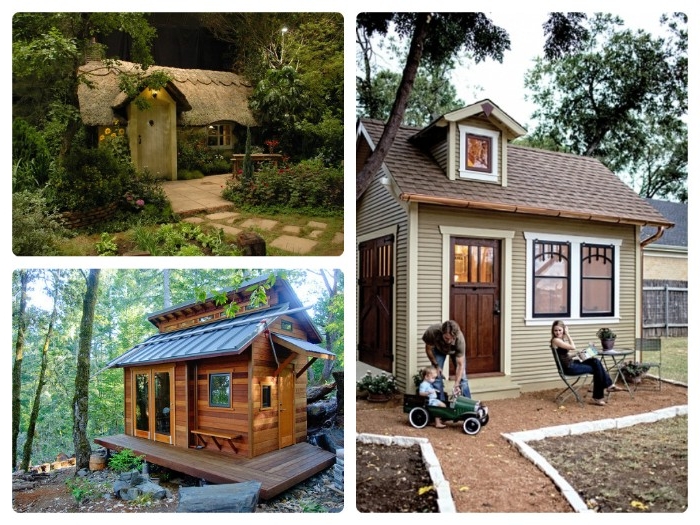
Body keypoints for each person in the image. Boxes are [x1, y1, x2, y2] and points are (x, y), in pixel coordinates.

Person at [550, 320, 622, 405]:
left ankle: (606, 389)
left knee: (595, 361)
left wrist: (581, 354)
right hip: (569, 368)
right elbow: (573, 347)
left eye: (560, 330)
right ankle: (602, 392)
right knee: (596, 367)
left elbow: (564, 356)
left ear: (563, 330)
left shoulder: (560, 340)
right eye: (556, 330)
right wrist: (568, 334)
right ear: (553, 331)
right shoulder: (556, 340)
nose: (558, 332)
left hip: (571, 363)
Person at [422, 320, 471, 400]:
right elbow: (429, 350)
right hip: (439, 350)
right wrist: (436, 365)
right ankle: (440, 404)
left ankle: (469, 405)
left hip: (455, 351)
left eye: (452, 339)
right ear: (442, 333)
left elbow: (460, 364)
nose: (449, 341)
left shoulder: (460, 340)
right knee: (437, 376)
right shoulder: (432, 332)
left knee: (462, 378)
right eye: (446, 338)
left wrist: (456, 384)